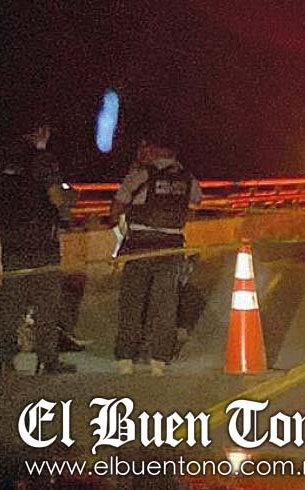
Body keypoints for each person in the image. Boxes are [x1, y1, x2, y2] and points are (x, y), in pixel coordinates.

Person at [0, 122, 76, 374]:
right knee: (46, 301)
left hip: (12, 241)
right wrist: (69, 198)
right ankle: (47, 359)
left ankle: (4, 356)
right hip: (42, 240)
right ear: (41, 133)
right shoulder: (43, 160)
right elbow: (55, 197)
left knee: (11, 299)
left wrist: (2, 226)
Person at [109, 125, 202, 377]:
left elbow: (117, 206)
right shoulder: (187, 177)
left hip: (140, 246)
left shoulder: (140, 174)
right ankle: (159, 359)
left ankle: (125, 358)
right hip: (171, 246)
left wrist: (116, 221)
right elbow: (197, 199)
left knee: (132, 302)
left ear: (154, 149)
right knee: (165, 305)